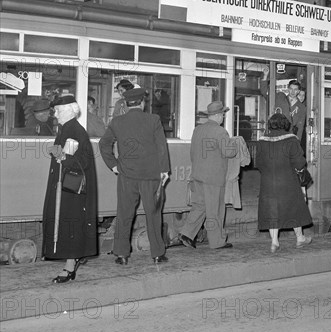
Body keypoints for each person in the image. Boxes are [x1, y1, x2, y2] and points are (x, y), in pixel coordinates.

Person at [99, 87, 170, 265]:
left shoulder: (117, 122)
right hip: (151, 176)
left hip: (126, 176)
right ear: (142, 102)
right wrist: (164, 171)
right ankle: (157, 254)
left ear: (126, 104)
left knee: (124, 214)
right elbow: (161, 147)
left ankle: (121, 254)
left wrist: (114, 165)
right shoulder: (153, 119)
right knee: (153, 214)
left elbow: (104, 143)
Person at [41, 95, 98, 283]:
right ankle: (71, 262)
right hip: (66, 187)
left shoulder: (74, 129)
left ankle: (70, 267)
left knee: (69, 225)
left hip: (70, 189)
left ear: (69, 110)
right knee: (68, 225)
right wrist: (60, 154)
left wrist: (63, 157)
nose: (55, 114)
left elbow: (82, 160)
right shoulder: (66, 128)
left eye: (58, 110)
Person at [179, 101, 238, 250]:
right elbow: (228, 152)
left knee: (199, 206)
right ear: (218, 115)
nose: (223, 117)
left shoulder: (197, 130)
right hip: (213, 178)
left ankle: (187, 233)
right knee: (215, 210)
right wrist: (235, 144)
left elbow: (192, 152)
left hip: (197, 175)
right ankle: (217, 242)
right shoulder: (220, 132)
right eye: (223, 114)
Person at [256, 113, 312, 253]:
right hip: (288, 181)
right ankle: (300, 238)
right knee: (294, 209)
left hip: (268, 182)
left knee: (271, 210)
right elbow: (299, 162)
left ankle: (274, 243)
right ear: (285, 124)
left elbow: (259, 163)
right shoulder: (291, 140)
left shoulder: (262, 141)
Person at [261, 68, 306, 140]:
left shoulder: (301, 107)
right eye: (291, 89)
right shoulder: (280, 98)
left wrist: (297, 143)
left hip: (289, 137)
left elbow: (300, 128)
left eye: (295, 89)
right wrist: (265, 76)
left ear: (298, 91)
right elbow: (264, 92)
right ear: (288, 89)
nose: (293, 91)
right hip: (275, 135)